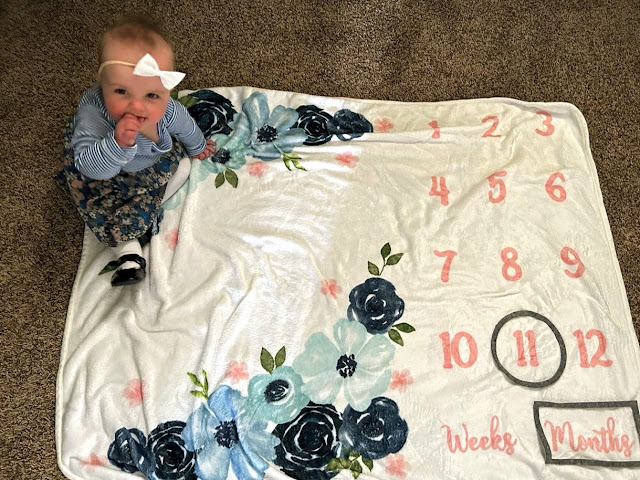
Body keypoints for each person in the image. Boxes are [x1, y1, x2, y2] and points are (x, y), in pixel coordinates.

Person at [56, 16, 215, 286]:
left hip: (149, 164)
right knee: (104, 210)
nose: (137, 107)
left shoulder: (168, 110)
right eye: (122, 91)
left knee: (185, 166)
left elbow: (185, 125)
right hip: (104, 171)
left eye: (151, 95)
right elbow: (92, 168)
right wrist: (117, 144)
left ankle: (146, 212)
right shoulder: (93, 114)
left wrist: (198, 145)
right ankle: (128, 252)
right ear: (102, 82)